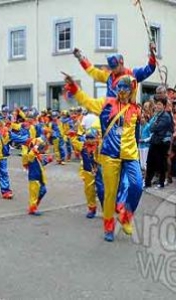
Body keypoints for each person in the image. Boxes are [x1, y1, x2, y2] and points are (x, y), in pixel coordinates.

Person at [64, 73, 142, 242]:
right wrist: (75, 88)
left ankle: (126, 216)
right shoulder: (106, 104)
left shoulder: (136, 109)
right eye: (119, 86)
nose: (121, 90)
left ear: (132, 90)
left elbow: (136, 135)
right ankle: (108, 226)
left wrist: (138, 157)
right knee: (110, 194)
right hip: (110, 155)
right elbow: (87, 101)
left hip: (130, 155)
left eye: (125, 87)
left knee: (137, 186)